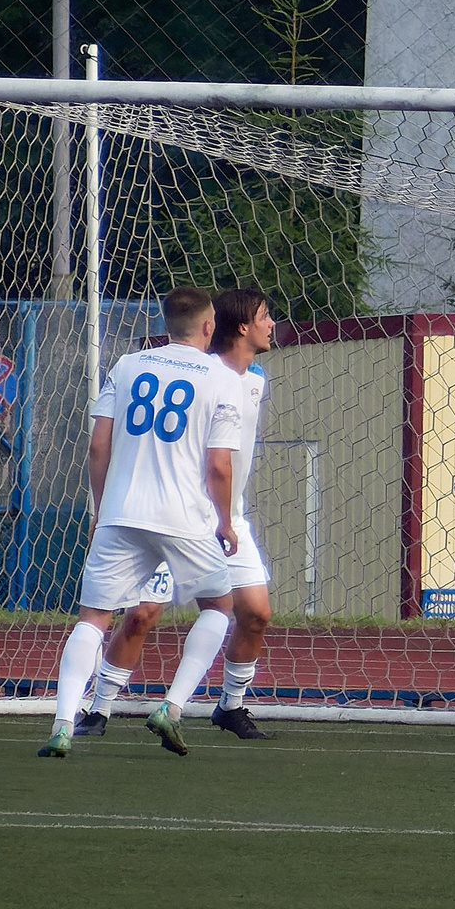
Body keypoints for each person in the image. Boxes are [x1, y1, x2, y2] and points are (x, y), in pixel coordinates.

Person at [37, 286, 249, 759]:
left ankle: (63, 724)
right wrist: (225, 521)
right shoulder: (221, 378)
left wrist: (99, 512)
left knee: (93, 618)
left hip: (121, 514)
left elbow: (97, 448)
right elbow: (218, 465)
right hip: (185, 518)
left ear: (168, 324)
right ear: (208, 327)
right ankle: (170, 708)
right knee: (219, 607)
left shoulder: (128, 365)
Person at [77, 288, 279, 741]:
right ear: (240, 326)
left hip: (227, 519)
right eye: (266, 316)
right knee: (143, 613)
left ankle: (231, 706)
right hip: (178, 515)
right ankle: (100, 708)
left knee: (256, 613)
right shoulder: (200, 375)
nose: (273, 325)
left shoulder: (256, 380)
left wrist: (227, 517)